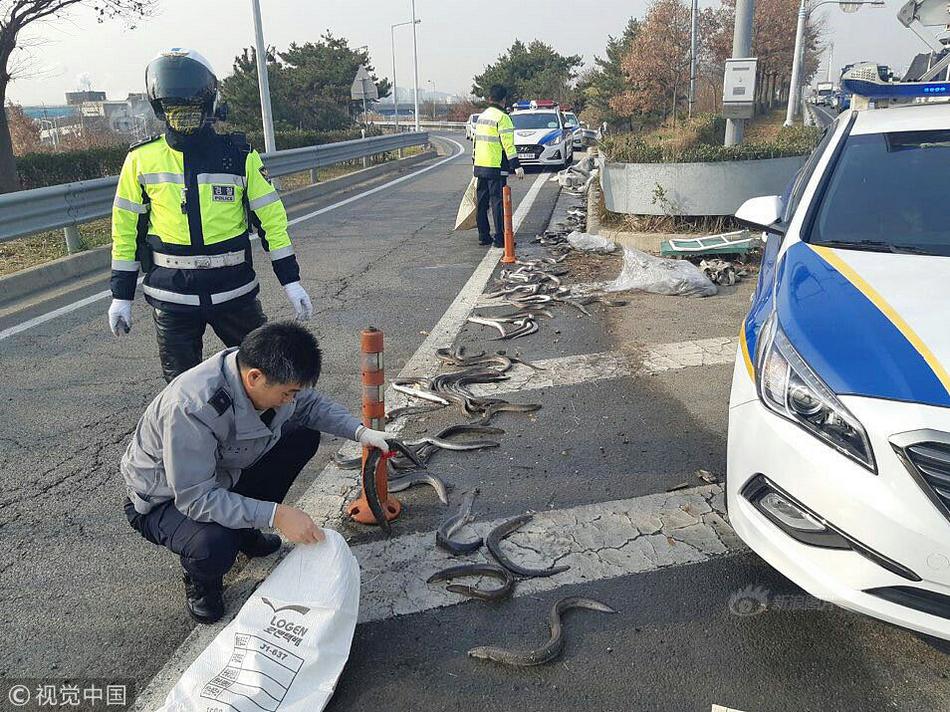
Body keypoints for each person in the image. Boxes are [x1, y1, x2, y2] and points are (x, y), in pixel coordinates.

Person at [121, 321, 390, 624]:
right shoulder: (191, 407)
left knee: (301, 433)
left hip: (224, 474)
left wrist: (360, 433)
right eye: (287, 393)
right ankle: (201, 579)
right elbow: (196, 499)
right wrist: (277, 515)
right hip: (166, 500)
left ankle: (243, 530)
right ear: (254, 378)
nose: (292, 399)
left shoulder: (263, 372)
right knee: (213, 545)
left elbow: (310, 405)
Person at [108, 48, 314, 382]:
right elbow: (126, 230)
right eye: (175, 108)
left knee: (265, 380)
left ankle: (270, 434)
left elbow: (272, 222)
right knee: (181, 393)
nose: (184, 116)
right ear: (161, 109)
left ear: (209, 105)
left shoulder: (239, 156)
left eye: (192, 108)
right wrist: (121, 295)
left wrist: (290, 280)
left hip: (234, 294)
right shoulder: (141, 160)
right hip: (173, 299)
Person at [472, 84, 524, 247]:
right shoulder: (503, 118)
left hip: (480, 165)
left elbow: (476, 142)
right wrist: (516, 165)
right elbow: (508, 144)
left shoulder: (482, 116)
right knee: (498, 202)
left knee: (482, 202)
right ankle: (501, 238)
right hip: (495, 166)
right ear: (504, 99)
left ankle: (483, 235)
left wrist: (475, 162)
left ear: (489, 99)